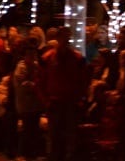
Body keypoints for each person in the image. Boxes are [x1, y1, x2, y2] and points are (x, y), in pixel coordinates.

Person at [38, 26, 89, 161]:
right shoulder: (47, 58)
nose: (66, 40)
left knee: (69, 137)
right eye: (63, 36)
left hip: (71, 103)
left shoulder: (77, 59)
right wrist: (46, 101)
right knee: (55, 137)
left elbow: (83, 81)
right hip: (55, 102)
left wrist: (80, 99)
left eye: (68, 36)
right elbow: (40, 81)